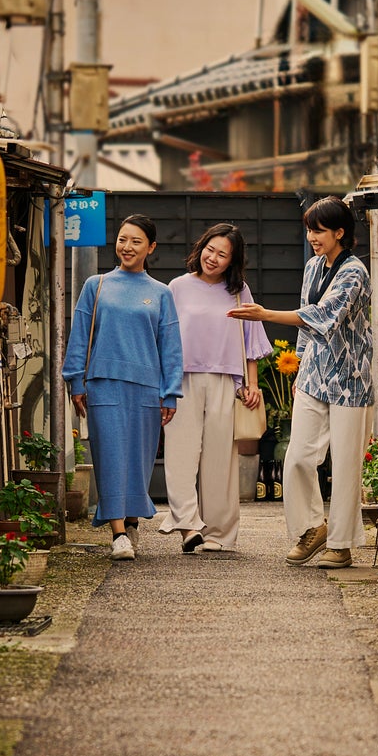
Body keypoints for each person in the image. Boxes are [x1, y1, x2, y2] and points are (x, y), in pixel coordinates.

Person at [228, 196, 373, 569]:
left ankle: (340, 544)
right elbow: (307, 327)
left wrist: (263, 314)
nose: (312, 236)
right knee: (297, 458)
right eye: (309, 229)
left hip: (351, 378)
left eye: (319, 230)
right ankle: (313, 527)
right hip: (313, 377)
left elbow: (323, 315)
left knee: (344, 464)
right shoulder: (312, 267)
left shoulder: (355, 271)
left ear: (340, 232)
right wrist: (301, 368)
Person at [61, 215, 183, 562]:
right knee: (110, 456)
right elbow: (80, 334)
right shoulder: (95, 285)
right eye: (122, 239)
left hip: (147, 388)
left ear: (151, 248)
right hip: (103, 385)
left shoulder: (161, 293)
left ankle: (131, 520)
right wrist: (76, 380)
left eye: (136, 242)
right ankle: (118, 534)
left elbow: (170, 346)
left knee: (140, 462)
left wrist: (170, 391)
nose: (127, 247)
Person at [163, 224, 272, 554]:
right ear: (201, 247)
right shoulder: (177, 288)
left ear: (232, 261)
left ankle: (220, 534)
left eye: (222, 254)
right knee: (180, 453)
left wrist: (252, 385)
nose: (213, 257)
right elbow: (165, 340)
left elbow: (250, 343)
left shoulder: (240, 292)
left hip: (226, 381)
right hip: (182, 380)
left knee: (220, 459)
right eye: (210, 249)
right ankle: (187, 524)